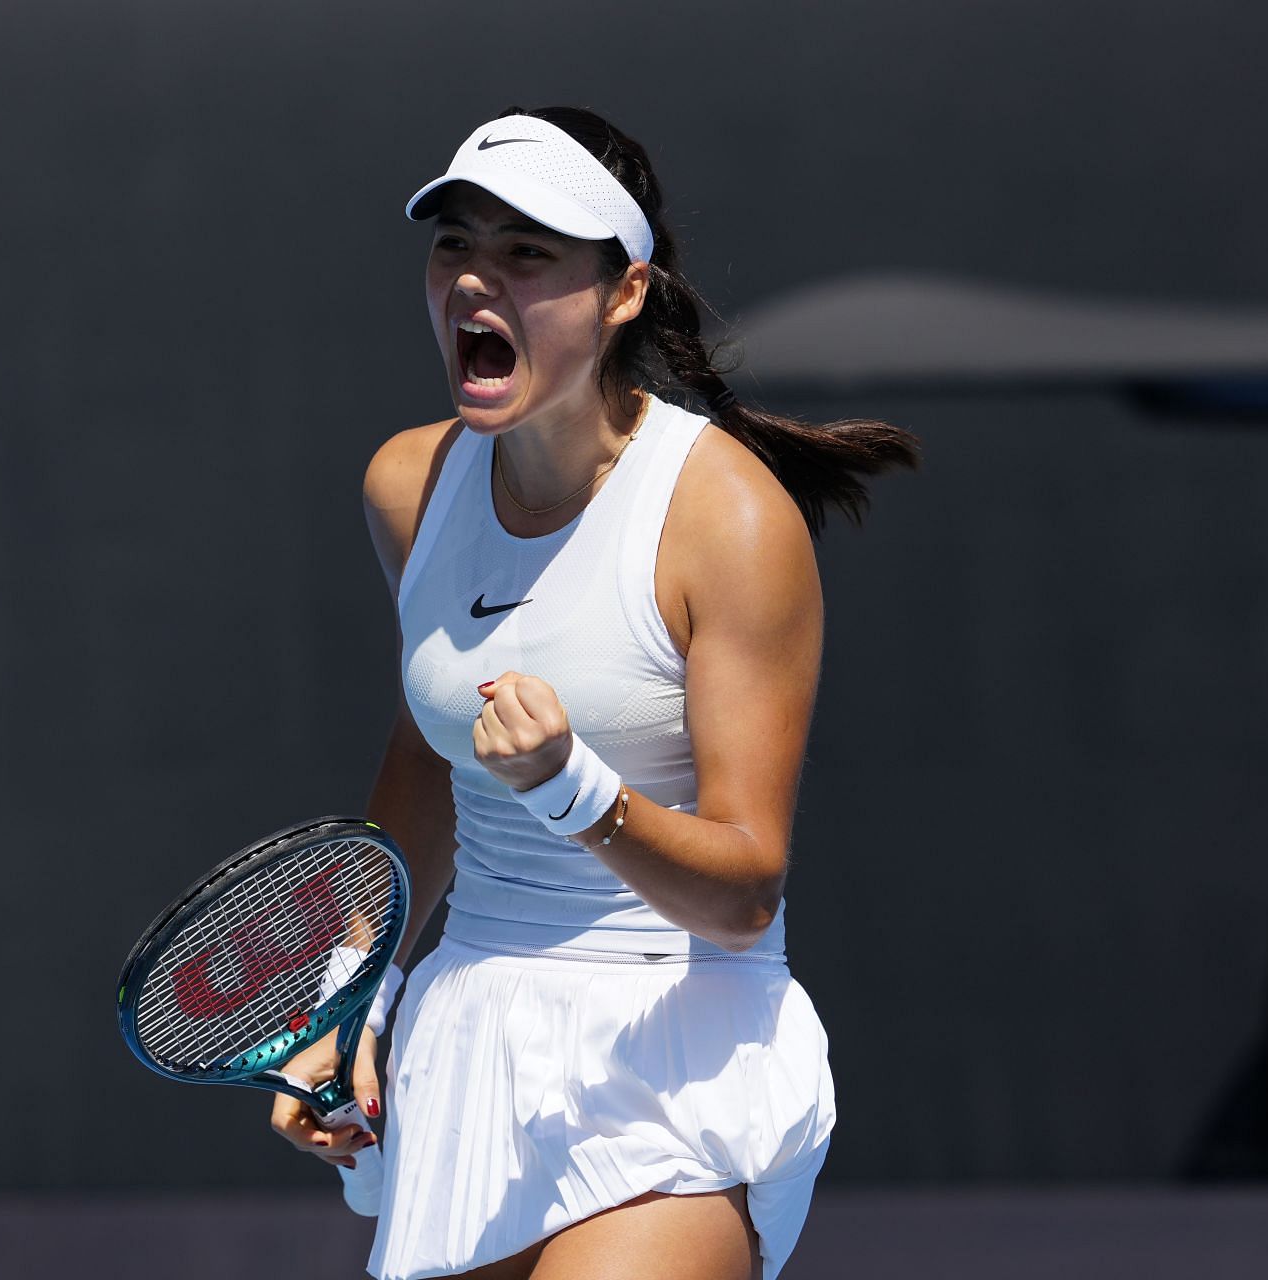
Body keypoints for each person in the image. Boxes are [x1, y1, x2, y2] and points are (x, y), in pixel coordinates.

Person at [270, 105, 919, 1280]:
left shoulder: (725, 519)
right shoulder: (408, 487)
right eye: (456, 244)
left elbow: (744, 894)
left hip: (675, 1048)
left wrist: (576, 788)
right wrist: (346, 998)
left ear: (623, 292)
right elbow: (430, 760)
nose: (478, 281)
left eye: (527, 255)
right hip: (469, 1042)